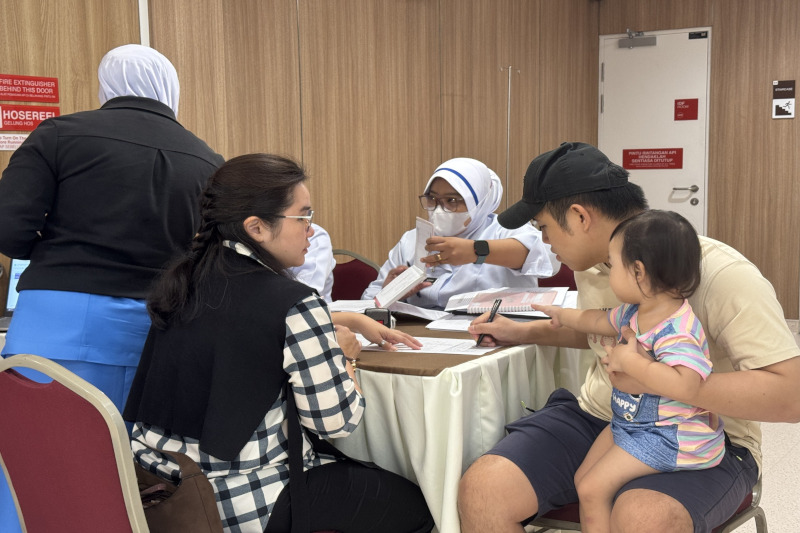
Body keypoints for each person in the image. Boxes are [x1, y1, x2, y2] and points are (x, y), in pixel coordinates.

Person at [459, 142, 800, 533]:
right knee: (483, 490)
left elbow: (790, 396)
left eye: (543, 228)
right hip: (604, 416)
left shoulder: (720, 275)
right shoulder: (592, 263)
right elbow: (605, 333)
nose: (545, 242)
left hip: (698, 436)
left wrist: (653, 379)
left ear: (580, 217)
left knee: (642, 518)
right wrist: (520, 331)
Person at [123, 153, 434, 532]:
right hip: (247, 499)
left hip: (166, 491)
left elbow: (244, 327)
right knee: (419, 508)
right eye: (303, 217)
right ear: (256, 227)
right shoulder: (291, 302)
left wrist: (342, 318)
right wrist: (346, 358)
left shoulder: (185, 283)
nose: (311, 230)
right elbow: (337, 422)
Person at [0, 44, 224, 533]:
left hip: (56, 329)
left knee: (32, 468)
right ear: (171, 90)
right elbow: (210, 258)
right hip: (158, 332)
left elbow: (8, 230)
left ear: (106, 86)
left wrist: (58, 250)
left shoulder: (59, 135)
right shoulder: (207, 159)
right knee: (132, 478)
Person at [531, 210, 725, 533]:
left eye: (612, 264)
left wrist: (631, 362)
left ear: (638, 271)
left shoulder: (677, 331)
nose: (609, 271)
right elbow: (596, 320)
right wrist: (561, 315)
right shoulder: (635, 312)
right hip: (631, 424)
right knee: (583, 479)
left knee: (591, 488)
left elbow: (688, 384)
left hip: (669, 435)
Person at [362, 157, 558, 309]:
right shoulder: (411, 240)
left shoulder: (505, 229)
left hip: (490, 334)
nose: (440, 209)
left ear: (478, 203)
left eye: (452, 201)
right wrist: (390, 292)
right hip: (421, 336)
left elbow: (545, 256)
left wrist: (475, 251)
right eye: (432, 199)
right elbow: (368, 301)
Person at [290, 223, 335, 302]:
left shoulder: (316, 237)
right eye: (300, 219)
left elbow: (303, 296)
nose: (311, 231)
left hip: (313, 307)